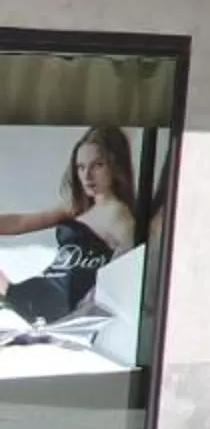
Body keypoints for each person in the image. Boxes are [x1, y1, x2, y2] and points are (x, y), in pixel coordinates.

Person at [0, 126, 138, 328]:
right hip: (37, 293)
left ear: (115, 166)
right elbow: (21, 223)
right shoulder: (78, 207)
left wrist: (80, 318)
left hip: (56, 311)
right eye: (81, 167)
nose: (87, 176)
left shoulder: (120, 217)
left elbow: (119, 284)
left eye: (97, 165)